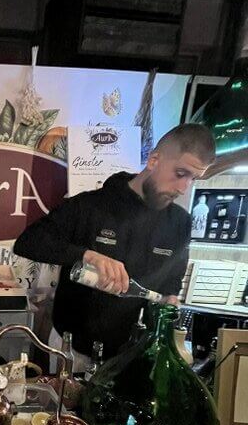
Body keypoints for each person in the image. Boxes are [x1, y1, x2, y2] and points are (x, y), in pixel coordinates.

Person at [13, 123, 216, 367]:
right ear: (154, 160)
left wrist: (170, 300)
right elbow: (28, 242)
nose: (183, 188)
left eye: (193, 178)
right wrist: (87, 255)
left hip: (130, 355)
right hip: (72, 349)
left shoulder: (179, 223)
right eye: (180, 173)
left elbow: (171, 282)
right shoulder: (90, 206)